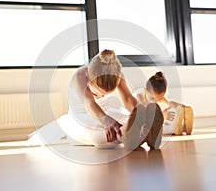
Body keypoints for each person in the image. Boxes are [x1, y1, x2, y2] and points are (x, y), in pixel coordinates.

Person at [28, 49, 163, 150]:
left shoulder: (118, 75)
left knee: (124, 119)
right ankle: (131, 135)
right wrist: (105, 120)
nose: (102, 96)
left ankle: (144, 132)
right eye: (98, 92)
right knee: (100, 136)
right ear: (89, 77)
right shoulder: (80, 76)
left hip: (104, 112)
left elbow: (127, 98)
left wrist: (140, 112)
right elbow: (89, 103)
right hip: (82, 119)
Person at [136, 71, 194, 135]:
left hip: (157, 122)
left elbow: (170, 103)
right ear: (145, 89)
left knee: (172, 108)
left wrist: (167, 102)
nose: (155, 101)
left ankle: (184, 124)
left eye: (159, 98)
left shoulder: (159, 99)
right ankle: (178, 129)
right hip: (142, 124)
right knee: (155, 130)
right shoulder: (139, 97)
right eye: (152, 98)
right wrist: (162, 116)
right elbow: (143, 119)